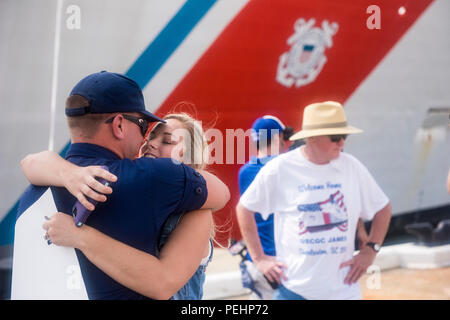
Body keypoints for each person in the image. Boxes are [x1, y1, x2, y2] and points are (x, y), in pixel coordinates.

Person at [18, 71, 230, 300]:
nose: (148, 143)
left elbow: (29, 162)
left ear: (189, 162)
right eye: (146, 131)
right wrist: (69, 174)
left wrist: (80, 235)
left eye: (167, 141)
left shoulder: (39, 189)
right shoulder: (146, 179)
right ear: (119, 125)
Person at [236, 101, 392, 300]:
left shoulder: (352, 167)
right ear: (312, 138)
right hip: (294, 290)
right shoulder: (280, 168)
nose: (342, 143)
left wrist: (371, 250)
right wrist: (259, 258)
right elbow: (244, 208)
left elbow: (383, 208)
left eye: (344, 137)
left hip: (344, 292)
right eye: (335, 138)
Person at [236, 115, 290, 299]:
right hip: (279, 265)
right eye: (284, 138)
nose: (287, 143)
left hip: (259, 261)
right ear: (276, 139)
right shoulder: (283, 169)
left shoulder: (245, 171)